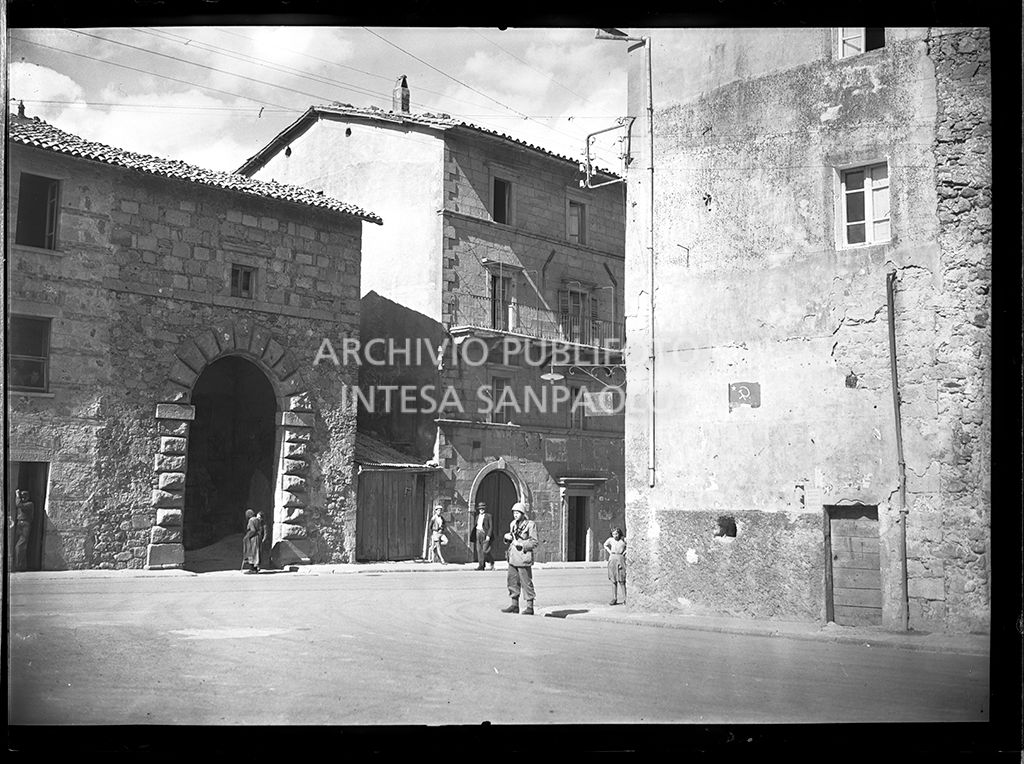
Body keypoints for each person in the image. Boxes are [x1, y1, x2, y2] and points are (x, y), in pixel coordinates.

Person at [501, 502, 539, 615]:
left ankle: (530, 607)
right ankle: (514, 605)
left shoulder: (530, 525)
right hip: (513, 558)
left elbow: (534, 542)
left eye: (517, 513)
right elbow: (511, 539)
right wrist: (507, 537)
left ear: (523, 513)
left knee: (526, 582)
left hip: (523, 557)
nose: (515, 515)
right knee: (512, 581)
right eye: (514, 513)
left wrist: (522, 544)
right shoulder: (513, 524)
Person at [603, 527, 627, 605]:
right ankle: (614, 598)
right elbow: (605, 545)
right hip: (612, 558)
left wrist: (624, 552)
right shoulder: (610, 540)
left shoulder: (623, 540)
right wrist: (610, 552)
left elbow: (630, 545)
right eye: (613, 534)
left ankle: (625, 598)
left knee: (622, 580)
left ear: (619, 533)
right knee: (613, 580)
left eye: (616, 534)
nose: (615, 536)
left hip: (620, 558)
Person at [12, 490, 34, 572]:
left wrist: (17, 495)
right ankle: (21, 565)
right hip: (19, 524)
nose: (23, 498)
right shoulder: (23, 503)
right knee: (19, 545)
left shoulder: (30, 504)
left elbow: (19, 505)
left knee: (20, 546)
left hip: (25, 524)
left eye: (25, 497)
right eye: (22, 497)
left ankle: (19, 566)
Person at [472, 501, 494, 570]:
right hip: (478, 533)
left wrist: (488, 535)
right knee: (479, 550)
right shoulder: (477, 517)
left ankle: (491, 561)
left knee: (485, 550)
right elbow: (476, 525)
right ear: (478, 509)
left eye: (483, 508)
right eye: (480, 508)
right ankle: (481, 565)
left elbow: (491, 527)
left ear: (485, 509)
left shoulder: (488, 516)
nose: (481, 510)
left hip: (485, 533)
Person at [241, 509, 260, 573]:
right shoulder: (257, 519)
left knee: (251, 552)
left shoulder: (251, 520)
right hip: (257, 537)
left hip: (252, 538)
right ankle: (255, 568)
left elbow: (253, 530)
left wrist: (247, 537)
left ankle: (252, 569)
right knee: (256, 552)